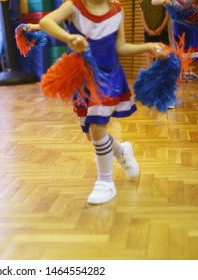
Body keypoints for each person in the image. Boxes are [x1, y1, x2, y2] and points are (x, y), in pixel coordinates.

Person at [39, 0, 166, 204]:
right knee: (92, 135)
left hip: (109, 77)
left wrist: (148, 46)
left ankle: (105, 182)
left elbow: (120, 47)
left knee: (98, 127)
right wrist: (69, 38)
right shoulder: (74, 6)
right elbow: (46, 21)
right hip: (81, 79)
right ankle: (122, 151)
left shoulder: (117, 10)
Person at [152, 0, 198, 104]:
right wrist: (163, 1)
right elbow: (153, 2)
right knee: (192, 67)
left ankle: (170, 96)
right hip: (178, 35)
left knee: (185, 65)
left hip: (191, 35)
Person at [140, 0, 170, 67]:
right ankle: (151, 75)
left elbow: (167, 15)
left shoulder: (163, 1)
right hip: (149, 33)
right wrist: (148, 30)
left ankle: (160, 75)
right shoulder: (144, 3)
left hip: (162, 32)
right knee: (149, 55)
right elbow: (142, 17)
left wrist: (161, 28)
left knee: (160, 55)